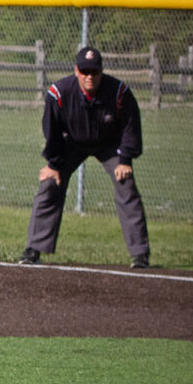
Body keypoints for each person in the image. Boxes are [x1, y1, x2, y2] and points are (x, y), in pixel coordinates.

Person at [19, 46, 150, 269]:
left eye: (94, 72)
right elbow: (51, 130)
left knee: (125, 183)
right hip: (72, 143)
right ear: (76, 71)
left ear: (101, 72)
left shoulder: (119, 92)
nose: (89, 77)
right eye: (85, 71)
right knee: (50, 183)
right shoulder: (59, 93)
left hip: (110, 144)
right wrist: (54, 163)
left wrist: (125, 159)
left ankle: (140, 255)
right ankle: (34, 249)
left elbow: (130, 125)